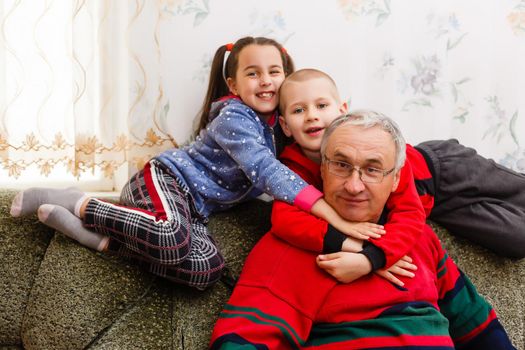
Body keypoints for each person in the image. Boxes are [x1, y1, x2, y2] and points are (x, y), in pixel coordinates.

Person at [8, 37, 383, 290]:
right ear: (234, 85)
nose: (266, 81)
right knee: (171, 234)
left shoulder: (281, 127)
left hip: (194, 212)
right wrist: (337, 220)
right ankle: (80, 201)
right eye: (253, 73)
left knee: (206, 270)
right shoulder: (235, 117)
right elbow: (267, 172)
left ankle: (101, 240)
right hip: (166, 181)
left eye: (274, 71)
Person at [210, 111, 516, 349]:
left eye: (372, 169)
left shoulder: (418, 236)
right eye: (341, 165)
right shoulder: (287, 246)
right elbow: (242, 340)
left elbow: (477, 326)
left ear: (396, 180)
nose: (354, 186)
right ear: (322, 169)